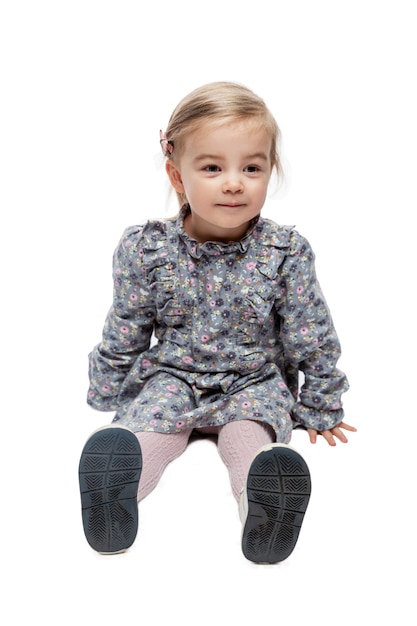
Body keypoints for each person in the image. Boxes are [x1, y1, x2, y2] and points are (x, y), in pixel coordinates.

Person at [79, 81, 355, 564]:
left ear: (271, 172)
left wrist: (321, 402)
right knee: (152, 428)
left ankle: (262, 506)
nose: (234, 182)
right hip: (174, 375)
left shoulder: (284, 252)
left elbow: (310, 332)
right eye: (213, 167)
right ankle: (115, 496)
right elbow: (127, 323)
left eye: (252, 167)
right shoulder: (147, 248)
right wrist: (108, 386)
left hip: (252, 379)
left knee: (247, 434)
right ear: (177, 174)